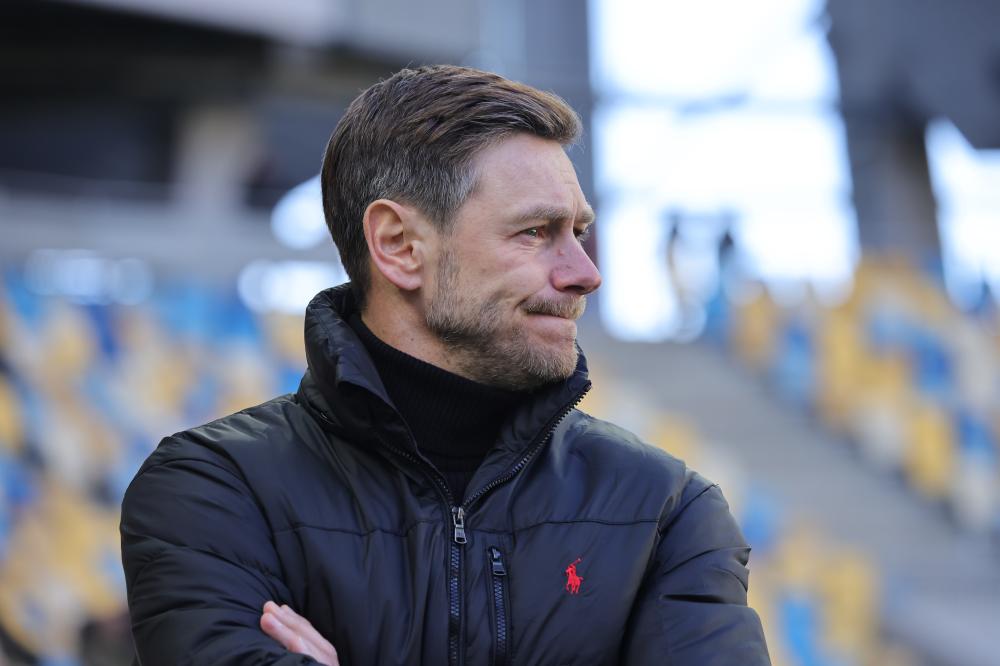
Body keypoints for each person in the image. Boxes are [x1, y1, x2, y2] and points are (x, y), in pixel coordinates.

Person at [120, 65, 770, 665]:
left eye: (578, 232)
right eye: (536, 232)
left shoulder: (665, 511)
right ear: (399, 245)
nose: (585, 273)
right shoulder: (214, 491)